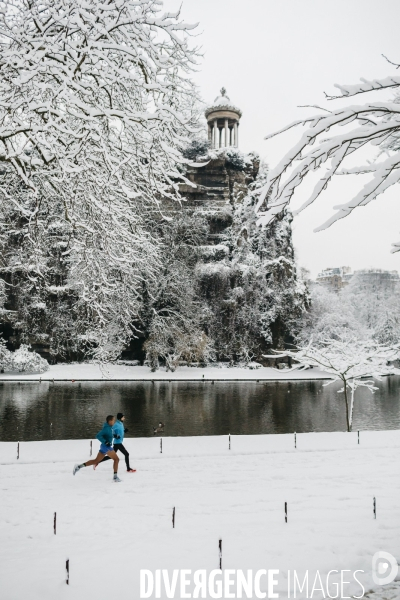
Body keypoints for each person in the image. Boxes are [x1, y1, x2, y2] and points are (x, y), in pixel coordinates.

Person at [73, 415, 122, 482]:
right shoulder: (106, 429)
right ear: (110, 421)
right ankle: (115, 477)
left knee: (96, 461)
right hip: (106, 447)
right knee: (116, 459)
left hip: (103, 447)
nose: (114, 422)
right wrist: (105, 442)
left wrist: (115, 436)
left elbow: (109, 434)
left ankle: (78, 466)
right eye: (113, 420)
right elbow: (98, 435)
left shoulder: (109, 428)